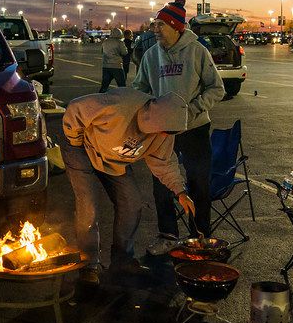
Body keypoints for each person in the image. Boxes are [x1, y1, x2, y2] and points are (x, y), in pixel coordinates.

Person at [62, 88, 195, 285]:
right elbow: (76, 108)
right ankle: (89, 265)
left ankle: (122, 260)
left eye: (168, 132)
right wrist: (75, 140)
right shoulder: (120, 105)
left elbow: (164, 164)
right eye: (163, 130)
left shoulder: (165, 133)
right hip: (82, 149)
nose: (163, 135)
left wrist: (180, 191)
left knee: (132, 203)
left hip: (114, 162)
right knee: (88, 206)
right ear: (154, 118)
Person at [132, 0, 225, 253]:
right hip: (162, 132)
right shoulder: (151, 56)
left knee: (198, 184)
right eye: (154, 25)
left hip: (194, 129)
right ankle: (168, 236)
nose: (155, 30)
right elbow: (139, 88)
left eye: (160, 25)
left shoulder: (197, 52)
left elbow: (217, 88)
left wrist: (192, 109)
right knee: (161, 185)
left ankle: (201, 236)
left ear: (176, 26)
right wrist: (146, 108)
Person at [99, 27, 128, 92]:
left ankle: (100, 98)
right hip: (117, 65)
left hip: (106, 65)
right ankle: (123, 98)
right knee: (121, 85)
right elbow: (124, 52)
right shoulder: (119, 42)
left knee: (104, 85)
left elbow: (102, 51)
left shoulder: (105, 42)